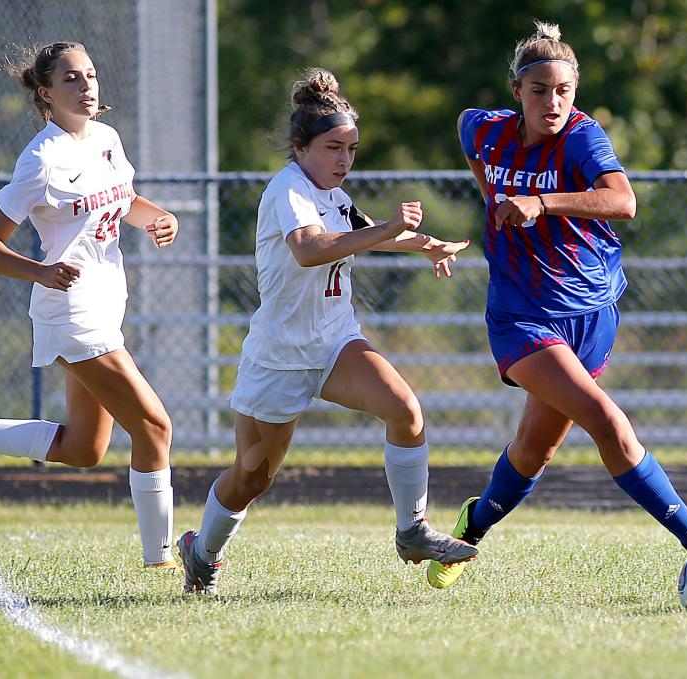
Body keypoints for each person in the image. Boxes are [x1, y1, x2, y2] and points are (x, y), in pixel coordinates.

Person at [427, 21, 687, 590]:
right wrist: (498, 207)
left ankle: (469, 530)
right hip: (522, 316)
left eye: (564, 90)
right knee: (609, 423)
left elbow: (624, 201)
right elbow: (476, 154)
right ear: (517, 91)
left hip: (592, 312)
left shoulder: (583, 137)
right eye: (539, 90)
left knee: (535, 449)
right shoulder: (481, 130)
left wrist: (540, 202)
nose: (553, 101)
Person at [176, 67, 477, 595]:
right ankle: (201, 554)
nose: (344, 160)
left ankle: (412, 531)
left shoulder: (333, 193)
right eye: (334, 148)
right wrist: (389, 227)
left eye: (352, 149)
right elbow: (312, 249)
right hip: (279, 357)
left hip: (336, 343)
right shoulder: (287, 190)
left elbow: (363, 235)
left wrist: (426, 244)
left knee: (405, 410)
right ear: (299, 147)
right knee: (252, 477)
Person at [0, 41, 180, 569]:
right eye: (71, 79)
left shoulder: (108, 139)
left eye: (90, 75)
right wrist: (41, 271)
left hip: (107, 304)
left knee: (85, 449)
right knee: (154, 427)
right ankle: (164, 563)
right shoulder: (42, 158)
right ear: (45, 93)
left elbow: (125, 202)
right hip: (71, 311)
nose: (86, 86)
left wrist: (160, 218)